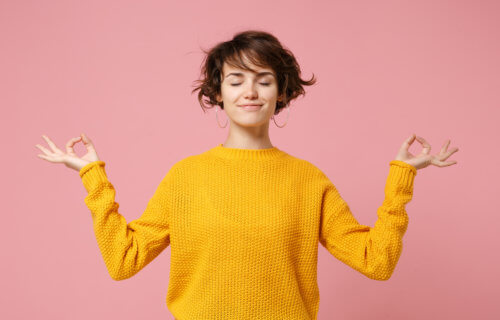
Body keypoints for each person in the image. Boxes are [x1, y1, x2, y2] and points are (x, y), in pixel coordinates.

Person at [35, 30, 459, 319]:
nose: (250, 92)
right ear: (218, 94)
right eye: (236, 81)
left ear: (283, 92)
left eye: (264, 80)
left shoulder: (308, 180)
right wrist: (92, 177)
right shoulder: (185, 177)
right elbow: (123, 261)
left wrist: (401, 181)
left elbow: (377, 261)